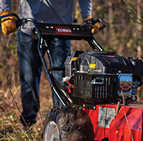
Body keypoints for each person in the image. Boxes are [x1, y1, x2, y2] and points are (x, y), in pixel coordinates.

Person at [0, 0, 92, 128]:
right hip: (29, 28)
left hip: (61, 29)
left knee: (62, 79)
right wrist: (5, 12)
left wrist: (87, 17)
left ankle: (62, 123)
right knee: (28, 79)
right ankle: (29, 122)